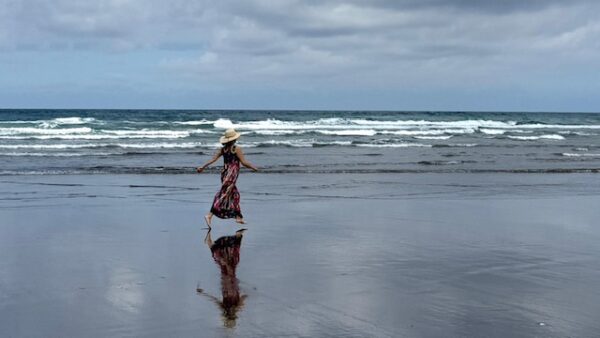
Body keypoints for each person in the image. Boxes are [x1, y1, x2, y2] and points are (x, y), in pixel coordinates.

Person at [197, 128, 258, 227]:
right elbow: (243, 162)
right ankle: (209, 215)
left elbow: (213, 160)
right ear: (234, 139)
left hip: (225, 174)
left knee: (234, 194)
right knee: (223, 194)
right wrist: (253, 167)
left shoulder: (223, 149)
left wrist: (202, 167)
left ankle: (238, 218)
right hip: (231, 174)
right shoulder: (236, 149)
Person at [198, 229, 248, 328]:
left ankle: (234, 237)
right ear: (233, 316)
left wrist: (203, 293)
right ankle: (237, 237)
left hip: (227, 280)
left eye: (230, 315)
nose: (231, 313)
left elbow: (213, 300)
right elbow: (244, 297)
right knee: (229, 260)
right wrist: (247, 294)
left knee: (226, 259)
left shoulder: (225, 307)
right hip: (229, 280)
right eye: (232, 316)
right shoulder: (237, 306)